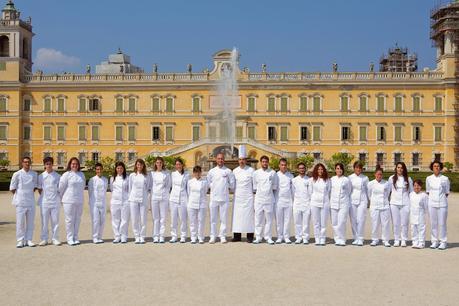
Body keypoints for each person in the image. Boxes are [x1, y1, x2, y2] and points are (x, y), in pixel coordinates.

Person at [9, 156, 38, 248]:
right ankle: (20, 240)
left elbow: (35, 187)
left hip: (30, 201)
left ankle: (29, 239)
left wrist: (28, 193)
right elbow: (12, 188)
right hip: (20, 201)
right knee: (20, 222)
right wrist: (20, 194)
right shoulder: (16, 174)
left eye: (28, 162)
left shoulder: (34, 174)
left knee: (30, 222)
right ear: (22, 163)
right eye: (25, 162)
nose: (27, 163)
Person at [207, 153, 235, 244]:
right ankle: (213, 236)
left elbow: (232, 184)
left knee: (223, 218)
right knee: (213, 219)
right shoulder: (211, 171)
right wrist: (213, 187)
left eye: (222, 159)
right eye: (219, 159)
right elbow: (208, 183)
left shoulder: (228, 171)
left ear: (224, 160)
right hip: (214, 198)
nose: (220, 160)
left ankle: (222, 236)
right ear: (216, 159)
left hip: (224, 198)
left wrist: (226, 187)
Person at [59, 157, 86, 246]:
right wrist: (61, 198)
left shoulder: (81, 174)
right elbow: (61, 188)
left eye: (76, 164)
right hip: (68, 200)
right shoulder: (66, 175)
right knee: (69, 220)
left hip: (79, 199)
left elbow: (83, 186)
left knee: (77, 219)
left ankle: (75, 237)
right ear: (70, 165)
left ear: (78, 165)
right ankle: (70, 238)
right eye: (73, 164)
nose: (74, 165)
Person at [232, 145, 255, 243]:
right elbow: (233, 185)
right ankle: (237, 236)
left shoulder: (251, 170)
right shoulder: (234, 171)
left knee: (249, 217)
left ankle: (250, 236)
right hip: (238, 197)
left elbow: (254, 184)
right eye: (240, 159)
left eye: (243, 159)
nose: (241, 161)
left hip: (248, 197)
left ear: (246, 160)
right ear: (238, 160)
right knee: (237, 217)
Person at [252, 155, 277, 244]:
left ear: (268, 162)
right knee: (258, 219)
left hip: (269, 199)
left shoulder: (273, 173)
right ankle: (258, 237)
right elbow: (254, 187)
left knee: (269, 220)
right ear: (260, 162)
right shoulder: (256, 173)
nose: (265, 163)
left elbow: (274, 186)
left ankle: (268, 237)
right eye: (263, 162)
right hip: (259, 199)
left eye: (266, 162)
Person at [426, 161, 450, 250]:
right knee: (433, 223)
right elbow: (428, 191)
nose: (436, 167)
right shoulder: (428, 178)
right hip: (432, 204)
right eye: (435, 166)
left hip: (442, 204)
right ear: (432, 168)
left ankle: (443, 241)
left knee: (442, 223)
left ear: (440, 168)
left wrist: (441, 198)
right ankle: (434, 241)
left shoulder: (445, 178)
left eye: (438, 166)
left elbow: (447, 192)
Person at [37, 157, 61, 246]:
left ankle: (55, 238)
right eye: (47, 164)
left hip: (55, 201)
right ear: (44, 165)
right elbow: (39, 189)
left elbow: (59, 189)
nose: (48, 165)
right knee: (44, 221)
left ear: (52, 164)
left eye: (50, 163)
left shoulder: (58, 176)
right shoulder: (41, 176)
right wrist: (45, 197)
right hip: (45, 202)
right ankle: (44, 239)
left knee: (55, 221)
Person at [389, 162, 413, 247]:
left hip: (405, 203)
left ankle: (404, 239)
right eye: (398, 167)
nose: (400, 169)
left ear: (404, 169)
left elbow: (411, 192)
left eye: (402, 168)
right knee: (395, 223)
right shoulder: (391, 178)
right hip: (394, 203)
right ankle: (396, 239)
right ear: (396, 168)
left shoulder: (408, 179)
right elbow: (388, 191)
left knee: (404, 223)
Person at [367, 166, 391, 247]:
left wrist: (384, 201)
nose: (379, 176)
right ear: (375, 174)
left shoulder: (386, 183)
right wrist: (374, 202)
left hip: (384, 205)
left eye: (380, 174)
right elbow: (369, 195)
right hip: (374, 206)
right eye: (378, 174)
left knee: (385, 224)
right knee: (375, 224)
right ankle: (374, 239)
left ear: (382, 175)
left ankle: (385, 240)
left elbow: (387, 193)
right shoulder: (370, 183)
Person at [128, 159, 151, 244]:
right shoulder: (132, 175)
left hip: (143, 199)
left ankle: (142, 236)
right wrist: (130, 197)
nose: (139, 166)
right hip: (133, 199)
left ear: (143, 166)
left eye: (141, 165)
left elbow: (148, 187)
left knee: (143, 219)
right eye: (138, 165)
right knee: (134, 219)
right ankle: (136, 236)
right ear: (136, 165)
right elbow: (130, 188)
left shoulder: (147, 176)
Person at [150, 157, 171, 243]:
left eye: (160, 163)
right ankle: (155, 236)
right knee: (155, 218)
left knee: (163, 218)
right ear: (155, 164)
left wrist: (165, 194)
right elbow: (150, 186)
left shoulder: (166, 174)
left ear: (162, 164)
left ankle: (161, 235)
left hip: (164, 197)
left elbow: (169, 185)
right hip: (154, 197)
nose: (159, 164)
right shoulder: (152, 174)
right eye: (157, 162)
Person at [309, 163, 331, 246]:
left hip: (325, 202)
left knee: (323, 222)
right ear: (316, 170)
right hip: (314, 202)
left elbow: (328, 191)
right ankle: (317, 238)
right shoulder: (312, 180)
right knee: (316, 222)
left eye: (322, 169)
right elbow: (310, 192)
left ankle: (322, 238)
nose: (320, 171)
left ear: (324, 170)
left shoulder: (327, 180)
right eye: (318, 169)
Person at [330, 163, 351, 246]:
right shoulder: (332, 179)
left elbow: (349, 191)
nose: (339, 170)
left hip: (343, 203)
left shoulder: (346, 180)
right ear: (335, 169)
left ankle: (342, 239)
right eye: (337, 168)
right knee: (334, 222)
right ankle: (336, 238)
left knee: (341, 222)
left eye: (340, 168)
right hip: (333, 203)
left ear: (343, 170)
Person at [348, 161, 369, 246]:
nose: (358, 169)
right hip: (352, 200)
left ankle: (360, 238)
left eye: (360, 168)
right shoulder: (350, 177)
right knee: (353, 220)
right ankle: (355, 237)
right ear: (354, 168)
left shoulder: (365, 178)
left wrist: (368, 200)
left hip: (362, 200)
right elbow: (348, 190)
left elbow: (368, 190)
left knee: (361, 219)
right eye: (356, 167)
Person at [169, 158, 190, 243]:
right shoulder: (173, 174)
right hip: (173, 198)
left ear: (182, 165)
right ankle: (174, 236)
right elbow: (170, 186)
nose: (178, 166)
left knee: (183, 219)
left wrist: (189, 200)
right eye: (177, 164)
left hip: (183, 198)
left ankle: (183, 236)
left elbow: (188, 188)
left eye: (179, 164)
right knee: (173, 219)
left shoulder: (187, 175)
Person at [187, 165, 209, 244]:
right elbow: (188, 192)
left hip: (202, 203)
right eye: (196, 172)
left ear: (201, 172)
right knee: (192, 221)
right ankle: (193, 237)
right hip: (192, 203)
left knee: (201, 221)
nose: (197, 174)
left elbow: (205, 191)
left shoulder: (205, 182)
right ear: (193, 173)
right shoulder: (190, 182)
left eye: (199, 172)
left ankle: (200, 237)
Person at [109, 161, 130, 244]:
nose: (119, 169)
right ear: (116, 169)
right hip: (115, 201)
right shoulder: (112, 178)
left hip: (125, 201)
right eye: (118, 168)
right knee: (115, 219)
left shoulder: (127, 178)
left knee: (124, 219)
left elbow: (129, 189)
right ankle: (117, 236)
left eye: (121, 168)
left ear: (123, 169)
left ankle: (123, 236)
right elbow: (111, 189)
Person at [275, 158, 294, 244]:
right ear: (279, 165)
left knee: (287, 220)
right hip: (278, 200)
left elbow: (293, 189)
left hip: (288, 200)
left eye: (285, 165)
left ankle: (286, 236)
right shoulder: (275, 175)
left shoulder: (290, 176)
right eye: (282, 165)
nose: (283, 166)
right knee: (279, 220)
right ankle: (279, 236)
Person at [88, 163, 108, 244]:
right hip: (94, 203)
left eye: (100, 169)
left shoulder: (105, 180)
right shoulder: (92, 180)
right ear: (95, 170)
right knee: (95, 220)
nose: (99, 171)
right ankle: (95, 237)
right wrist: (92, 201)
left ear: (102, 169)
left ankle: (100, 236)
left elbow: (105, 190)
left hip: (103, 202)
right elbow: (90, 191)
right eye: (97, 169)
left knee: (102, 220)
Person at [292, 162, 311, 245]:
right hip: (297, 203)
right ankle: (298, 237)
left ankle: (305, 237)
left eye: (303, 168)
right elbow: (293, 192)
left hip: (306, 203)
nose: (302, 169)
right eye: (300, 168)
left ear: (305, 169)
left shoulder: (309, 180)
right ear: (297, 169)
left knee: (306, 222)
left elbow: (311, 192)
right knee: (297, 222)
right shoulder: (294, 180)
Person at [410, 179, 429, 249]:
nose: (416, 187)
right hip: (412, 214)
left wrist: (425, 214)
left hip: (420, 214)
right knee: (413, 228)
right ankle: (414, 242)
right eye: (415, 185)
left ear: (421, 186)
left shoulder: (424, 195)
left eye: (418, 185)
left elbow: (426, 206)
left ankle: (421, 242)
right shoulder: (411, 194)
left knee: (421, 228)